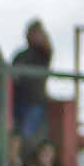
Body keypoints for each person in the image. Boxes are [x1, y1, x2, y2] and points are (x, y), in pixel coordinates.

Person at [12, 20, 53, 148]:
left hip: (34, 103)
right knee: (15, 134)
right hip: (18, 101)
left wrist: (41, 33)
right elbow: (12, 75)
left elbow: (48, 46)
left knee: (27, 135)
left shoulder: (42, 55)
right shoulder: (20, 55)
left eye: (36, 34)